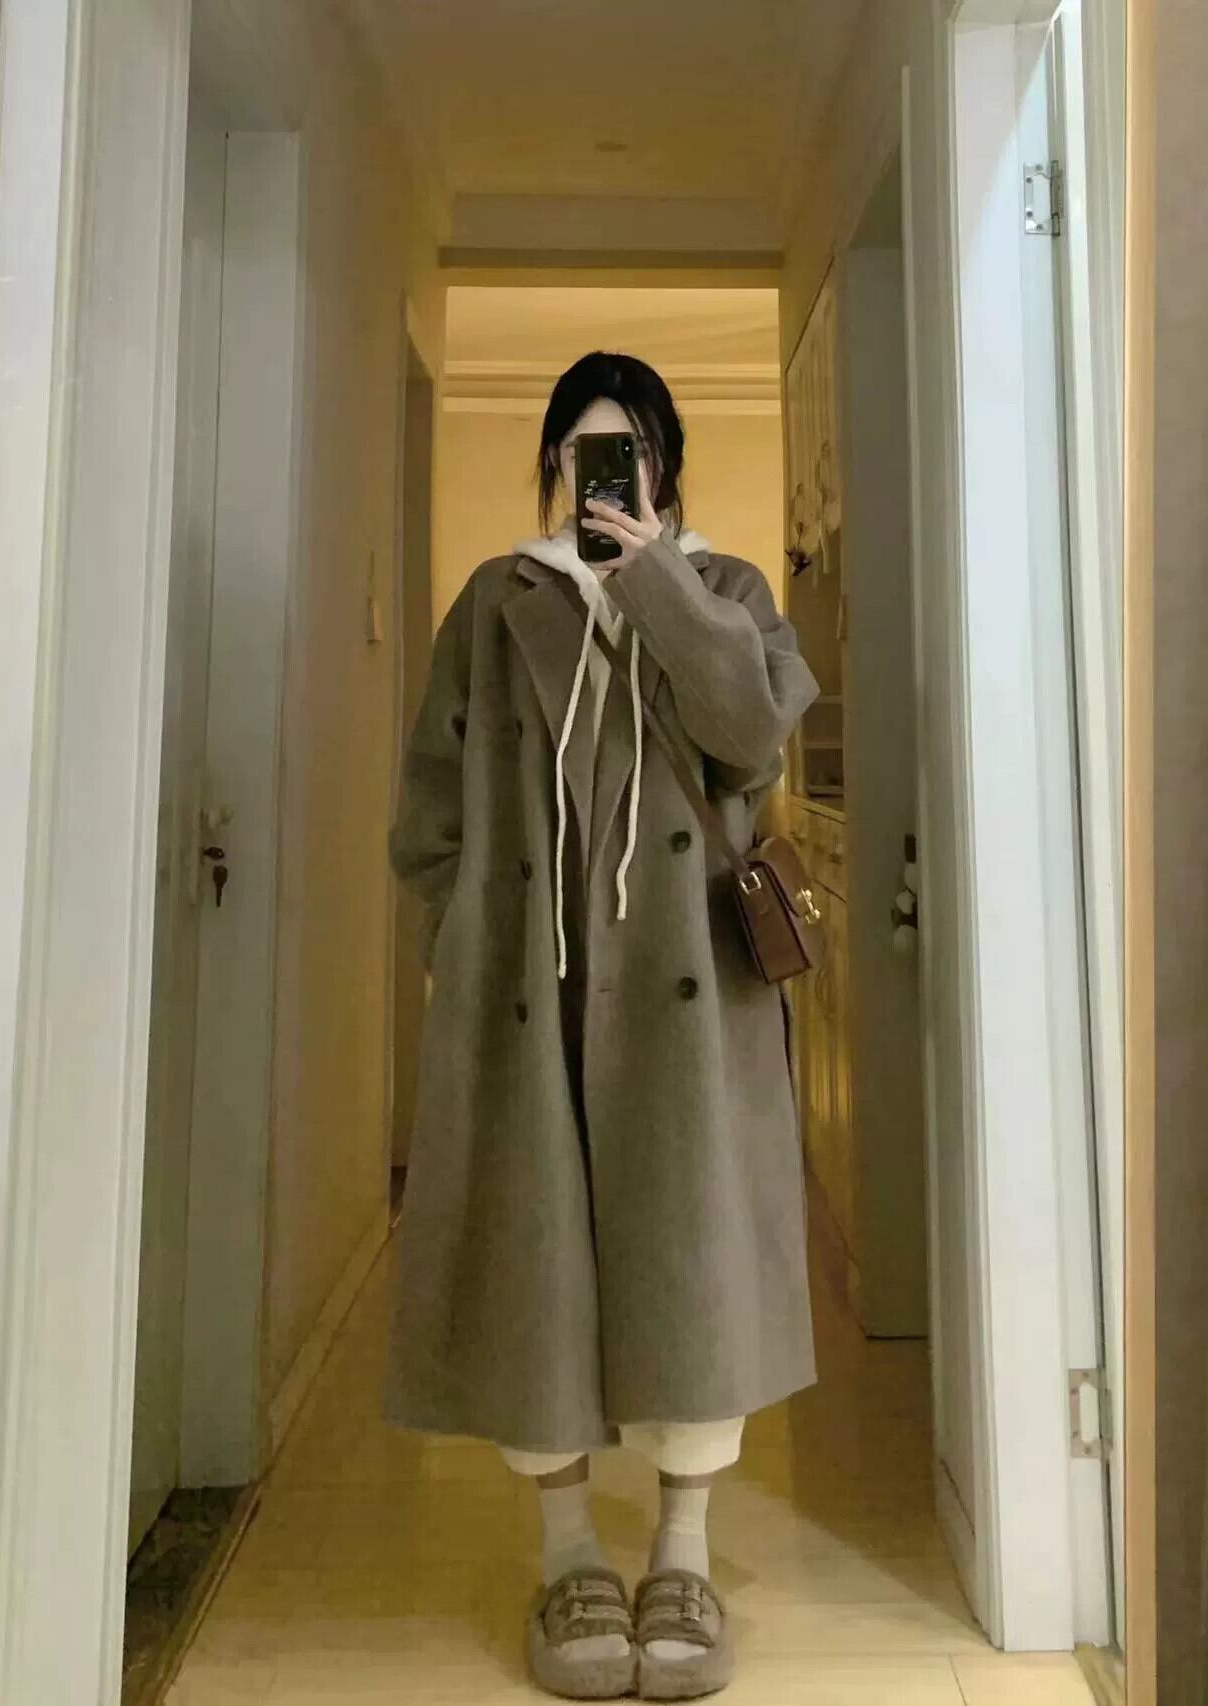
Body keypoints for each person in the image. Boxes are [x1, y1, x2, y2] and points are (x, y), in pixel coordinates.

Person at [385, 349, 819, 1701]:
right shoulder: (496, 601)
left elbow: (752, 737)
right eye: (584, 454)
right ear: (553, 468)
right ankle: (568, 1550)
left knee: (693, 1259)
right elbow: (431, 807)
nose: (605, 478)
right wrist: (466, 938)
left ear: (665, 469)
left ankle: (683, 1553)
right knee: (535, 1263)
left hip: (690, 998)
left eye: (628, 453)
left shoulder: (725, 591)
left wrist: (656, 585)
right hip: (533, 993)